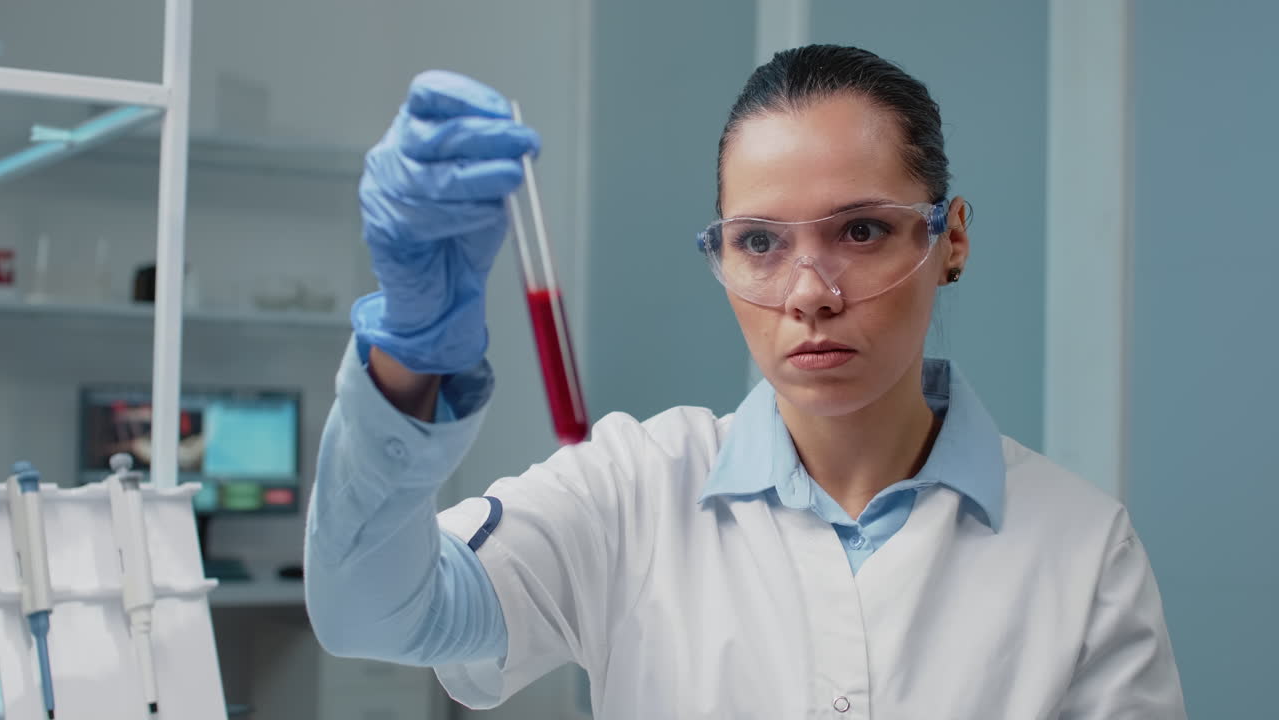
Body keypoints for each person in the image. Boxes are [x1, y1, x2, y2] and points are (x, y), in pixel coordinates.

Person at [305, 45, 1185, 718]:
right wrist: (410, 356)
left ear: (949, 237)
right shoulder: (631, 490)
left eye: (863, 231)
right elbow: (373, 616)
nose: (810, 293)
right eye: (760, 243)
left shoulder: (1082, 548)